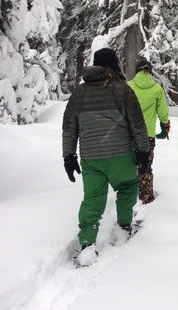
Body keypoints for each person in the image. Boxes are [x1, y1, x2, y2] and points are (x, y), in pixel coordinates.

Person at [62, 48, 150, 266]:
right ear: (115, 65)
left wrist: (69, 156)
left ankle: (87, 244)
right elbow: (137, 125)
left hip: (91, 158)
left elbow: (69, 128)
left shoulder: (79, 93)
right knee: (128, 187)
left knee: (92, 199)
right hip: (120, 154)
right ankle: (124, 226)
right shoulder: (123, 90)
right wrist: (143, 152)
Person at [127, 57, 170, 204]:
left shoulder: (128, 87)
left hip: (129, 135)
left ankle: (127, 195)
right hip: (147, 136)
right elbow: (163, 112)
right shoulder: (157, 89)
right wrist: (165, 128)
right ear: (150, 72)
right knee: (145, 165)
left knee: (128, 164)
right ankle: (145, 196)